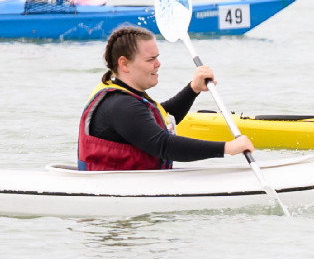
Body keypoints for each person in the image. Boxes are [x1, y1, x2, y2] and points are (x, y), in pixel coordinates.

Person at [77, 25, 256, 170]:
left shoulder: (124, 96)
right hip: (113, 194)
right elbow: (164, 145)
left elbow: (162, 118)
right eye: (150, 60)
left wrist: (193, 89)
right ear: (124, 64)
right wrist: (227, 148)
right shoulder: (121, 105)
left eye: (158, 57)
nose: (158, 64)